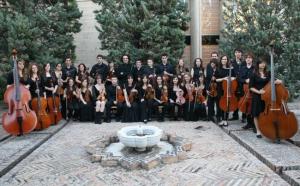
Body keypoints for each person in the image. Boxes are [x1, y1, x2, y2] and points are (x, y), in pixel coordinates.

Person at [249, 58, 282, 138]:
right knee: (256, 114)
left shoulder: (268, 73)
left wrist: (278, 81)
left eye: (264, 63)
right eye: (261, 63)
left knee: (266, 113)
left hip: (267, 97)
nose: (263, 65)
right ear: (258, 64)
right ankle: (258, 131)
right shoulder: (253, 74)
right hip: (257, 96)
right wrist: (259, 92)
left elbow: (273, 80)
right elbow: (251, 87)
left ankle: (267, 128)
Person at [215, 55, 236, 126]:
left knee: (227, 104)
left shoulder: (230, 69)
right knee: (219, 104)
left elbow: (235, 77)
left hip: (228, 88)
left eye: (225, 59)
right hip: (220, 88)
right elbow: (216, 79)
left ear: (227, 60)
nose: (224, 60)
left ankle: (225, 119)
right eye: (223, 59)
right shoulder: (218, 69)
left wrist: (232, 78)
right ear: (221, 60)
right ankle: (219, 118)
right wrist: (224, 78)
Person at [239, 52, 256, 130]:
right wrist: (246, 80)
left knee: (253, 106)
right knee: (247, 107)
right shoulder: (242, 68)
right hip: (245, 90)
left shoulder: (255, 68)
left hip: (254, 90)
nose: (248, 59)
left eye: (250, 58)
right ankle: (249, 123)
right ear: (245, 59)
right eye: (247, 58)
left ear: (252, 59)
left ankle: (254, 124)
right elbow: (240, 79)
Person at [230, 48, 246, 121]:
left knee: (244, 99)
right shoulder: (231, 62)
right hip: (235, 83)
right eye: (236, 52)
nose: (238, 53)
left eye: (239, 52)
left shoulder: (244, 62)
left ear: (241, 54)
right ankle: (235, 115)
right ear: (234, 54)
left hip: (243, 83)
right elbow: (230, 73)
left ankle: (244, 116)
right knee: (235, 99)